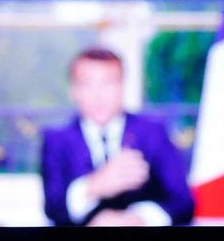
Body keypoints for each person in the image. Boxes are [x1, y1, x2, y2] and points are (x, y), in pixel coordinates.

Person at [39, 48, 194, 227]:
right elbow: (53, 208)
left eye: (108, 83)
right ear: (73, 91)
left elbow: (183, 202)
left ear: (122, 87)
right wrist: (93, 186)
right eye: (87, 84)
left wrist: (139, 219)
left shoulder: (153, 134)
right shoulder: (56, 141)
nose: (99, 95)